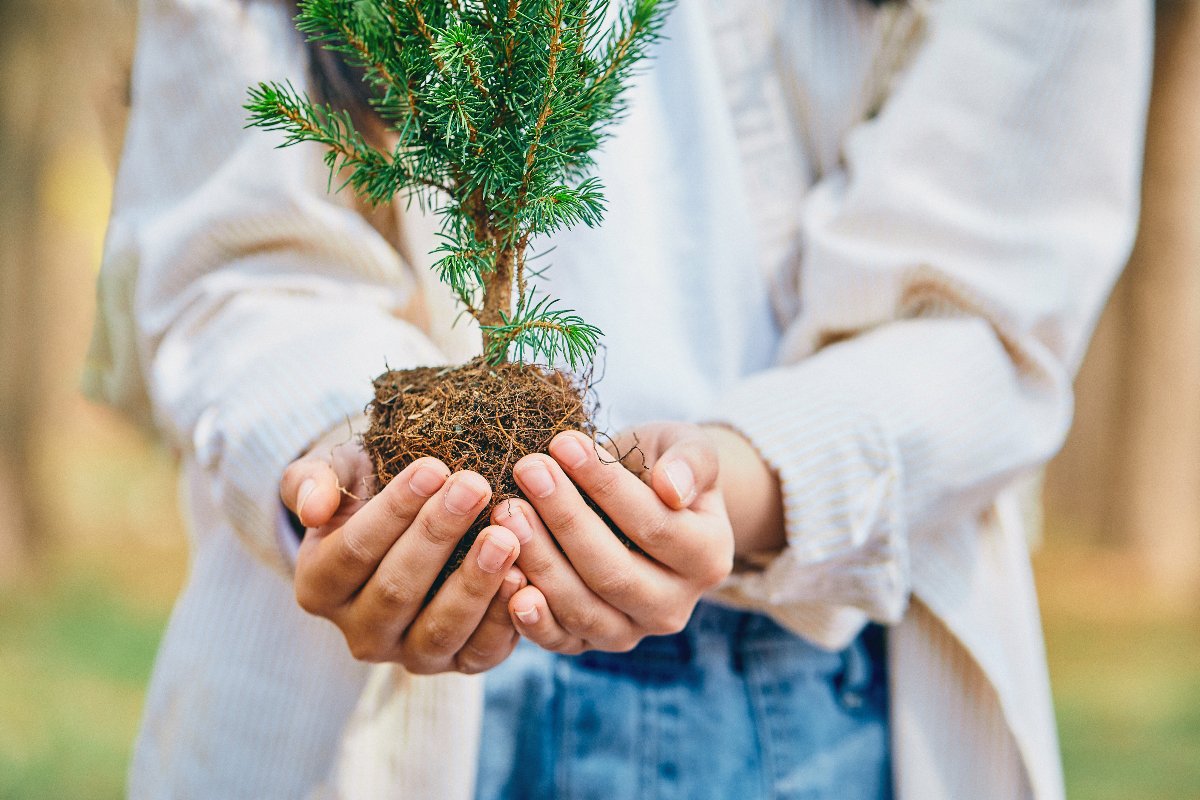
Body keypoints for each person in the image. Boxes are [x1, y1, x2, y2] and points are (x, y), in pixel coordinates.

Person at [86, 0, 1151, 798]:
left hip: (825, 692)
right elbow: (226, 258)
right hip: (356, 709)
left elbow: (996, 302)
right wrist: (329, 463)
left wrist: (741, 479)